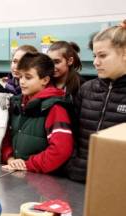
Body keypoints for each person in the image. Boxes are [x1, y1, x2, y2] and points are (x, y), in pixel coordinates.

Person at [65, 20, 126, 182]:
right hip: (79, 176)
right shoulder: (87, 89)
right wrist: (73, 163)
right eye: (94, 56)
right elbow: (73, 132)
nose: (95, 62)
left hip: (116, 182)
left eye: (103, 55)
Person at [2, 52, 74, 173]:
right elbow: (7, 137)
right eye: (20, 77)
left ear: (45, 80)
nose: (22, 82)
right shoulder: (16, 103)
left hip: (41, 181)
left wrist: (27, 165)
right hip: (16, 172)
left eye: (28, 77)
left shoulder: (55, 108)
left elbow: (61, 150)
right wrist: (10, 158)